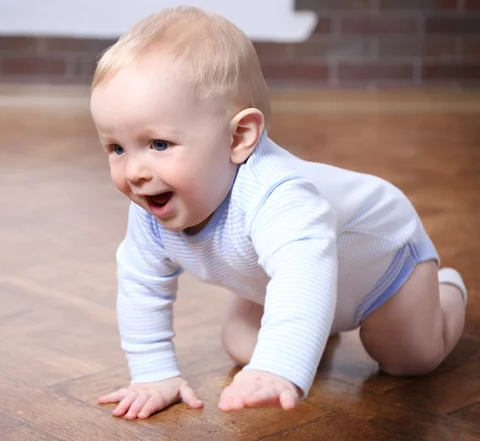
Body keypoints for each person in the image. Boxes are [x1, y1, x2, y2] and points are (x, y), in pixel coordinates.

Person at [88, 5, 468, 420]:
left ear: (239, 137)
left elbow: (303, 274)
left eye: (159, 144)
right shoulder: (150, 211)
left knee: (408, 360)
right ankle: (315, 326)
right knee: (242, 345)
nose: (135, 172)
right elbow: (141, 286)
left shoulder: (280, 196)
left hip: (385, 266)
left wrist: (278, 367)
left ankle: (446, 289)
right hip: (284, 276)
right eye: (116, 148)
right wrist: (153, 374)